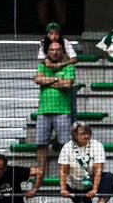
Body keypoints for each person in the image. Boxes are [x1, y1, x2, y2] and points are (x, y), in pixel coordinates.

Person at [32, 40, 79, 184]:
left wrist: (50, 81)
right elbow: (38, 79)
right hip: (43, 111)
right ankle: (40, 174)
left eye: (58, 49)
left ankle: (64, 176)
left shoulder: (70, 67)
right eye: (52, 49)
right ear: (48, 52)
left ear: (63, 52)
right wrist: (57, 79)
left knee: (66, 145)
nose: (55, 52)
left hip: (62, 111)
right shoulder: (42, 66)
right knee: (41, 144)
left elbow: (68, 84)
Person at [57, 122, 113, 203]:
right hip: (73, 185)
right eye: (83, 133)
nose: (86, 136)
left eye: (88, 133)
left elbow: (99, 170)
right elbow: (63, 171)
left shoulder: (97, 145)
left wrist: (95, 189)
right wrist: (63, 189)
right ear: (75, 135)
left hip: (91, 183)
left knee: (109, 177)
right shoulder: (67, 147)